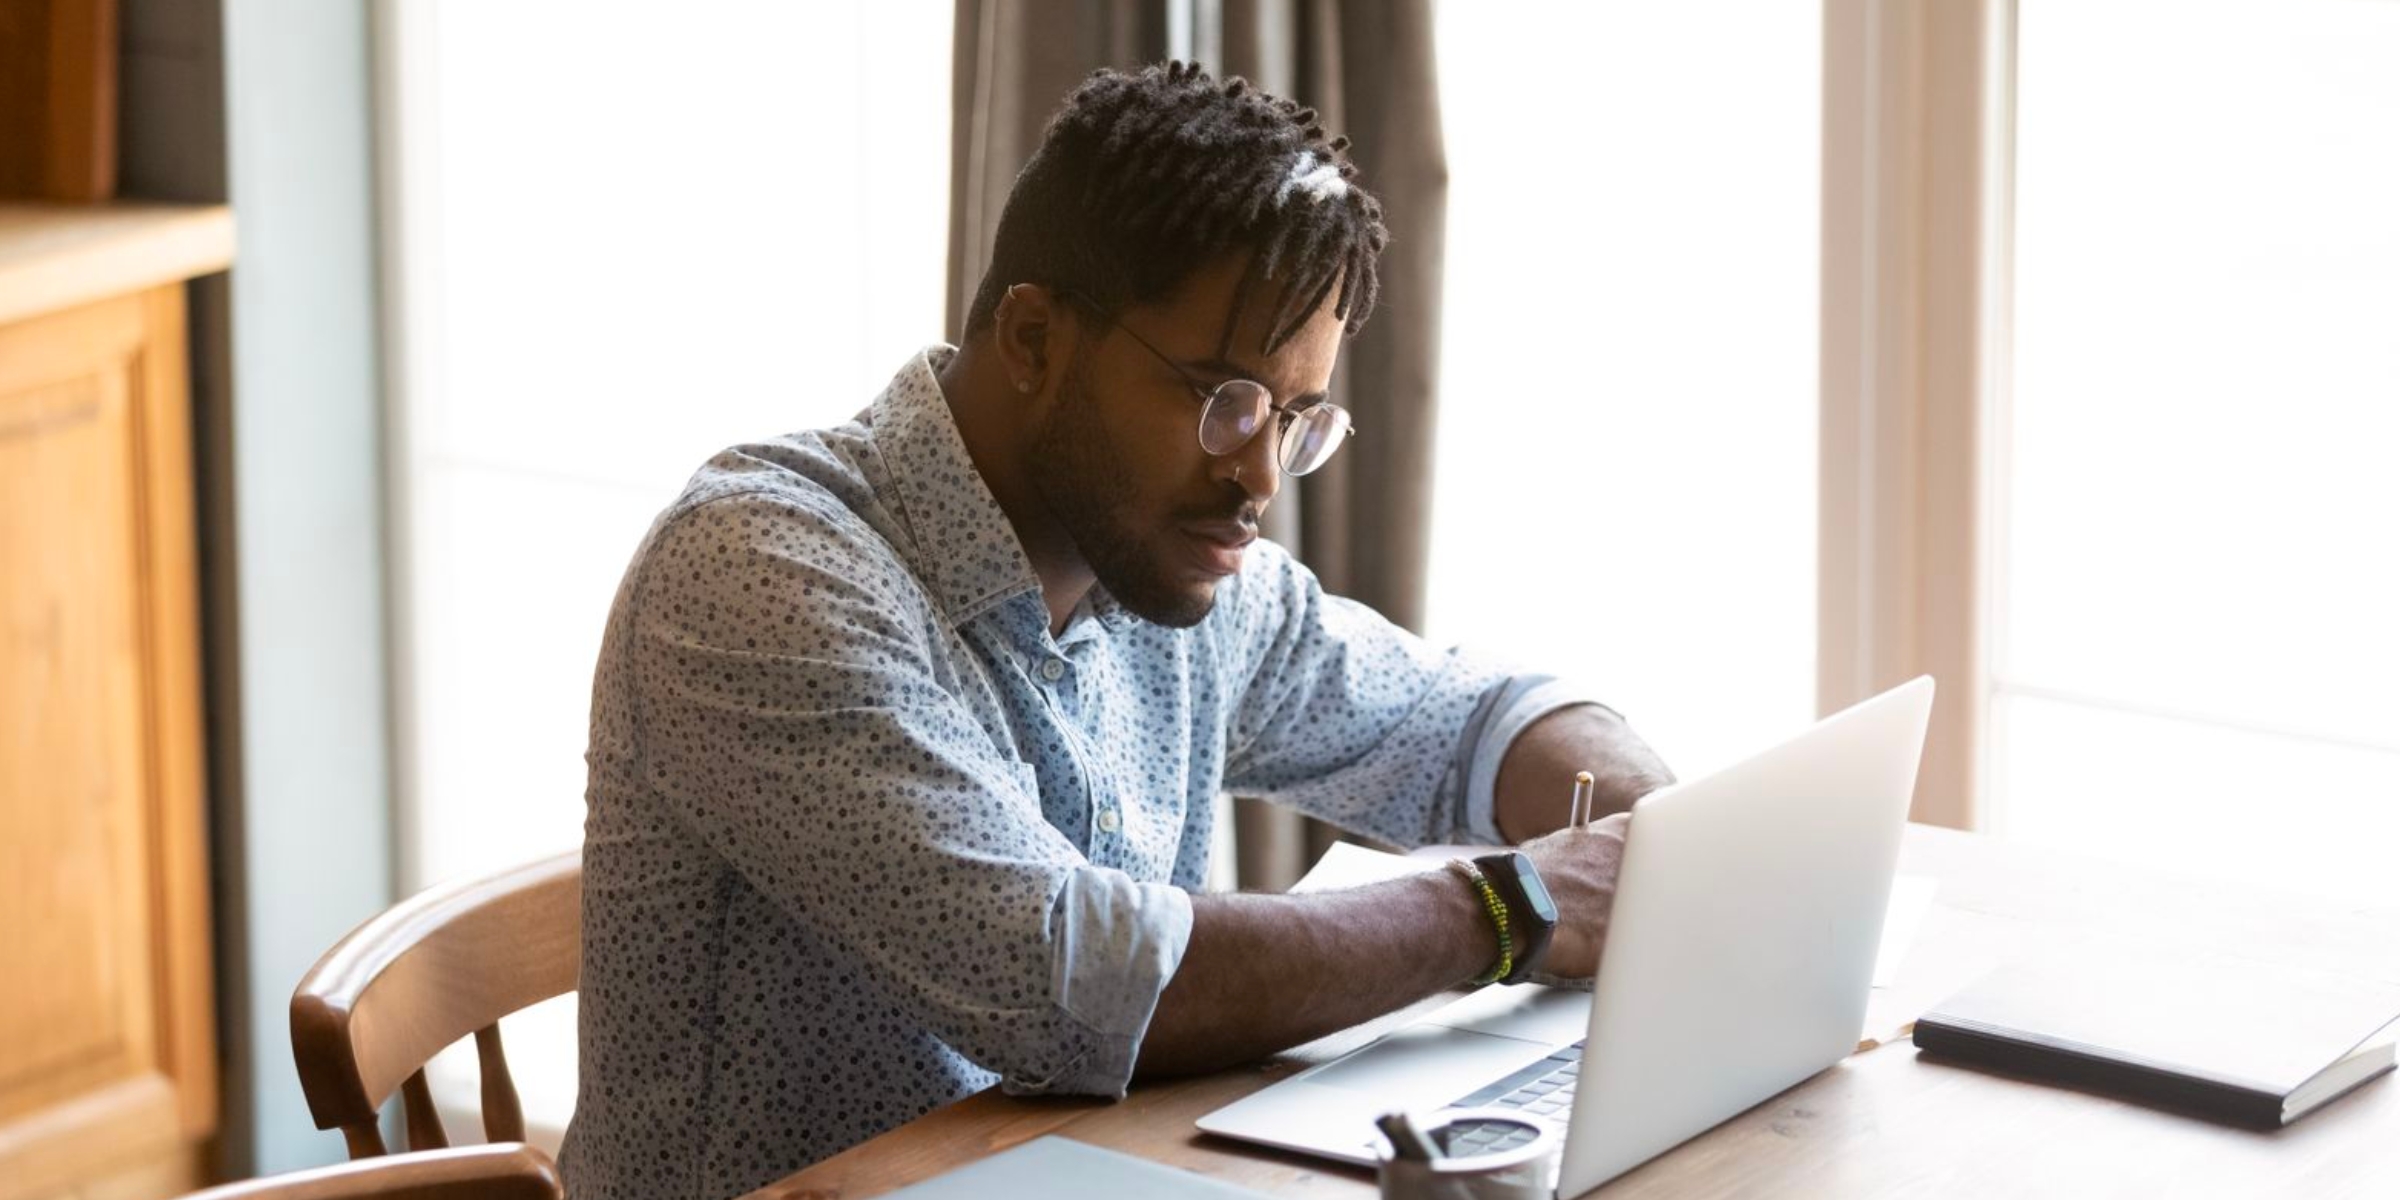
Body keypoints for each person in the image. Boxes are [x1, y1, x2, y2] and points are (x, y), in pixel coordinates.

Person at [559, 60, 1673, 1200]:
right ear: (1036, 339)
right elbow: (1068, 975)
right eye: (1222, 399)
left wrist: (1663, 840)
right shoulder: (758, 573)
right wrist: (1510, 906)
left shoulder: (1166, 563)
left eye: (1295, 417)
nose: (1258, 474)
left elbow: (1462, 721)